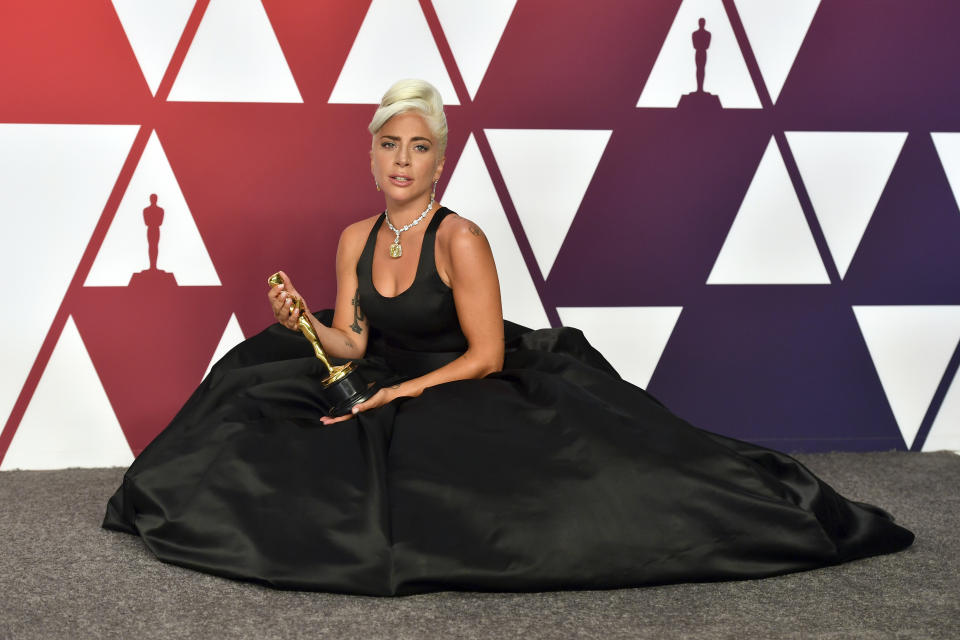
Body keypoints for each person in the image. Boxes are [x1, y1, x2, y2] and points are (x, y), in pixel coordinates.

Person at [103, 79, 913, 596]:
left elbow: (487, 355)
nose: (402, 160)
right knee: (251, 393)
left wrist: (401, 392)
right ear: (372, 152)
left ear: (439, 162)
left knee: (539, 492)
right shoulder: (354, 237)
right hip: (383, 369)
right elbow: (350, 342)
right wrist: (304, 325)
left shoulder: (462, 240)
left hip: (463, 377)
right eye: (391, 144)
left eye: (419, 148)